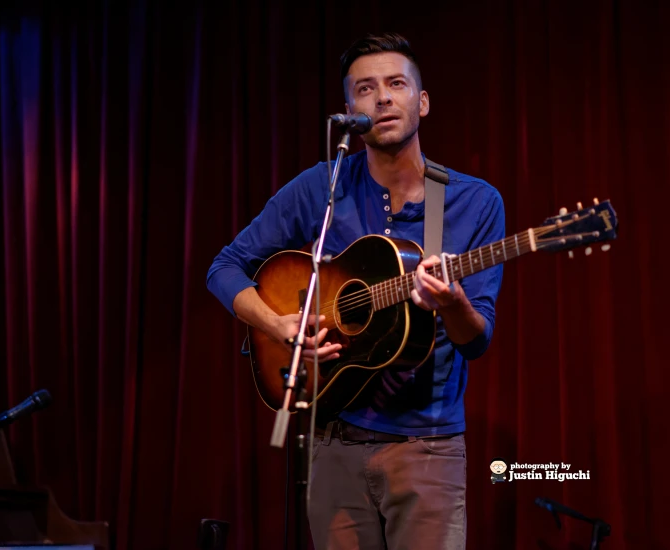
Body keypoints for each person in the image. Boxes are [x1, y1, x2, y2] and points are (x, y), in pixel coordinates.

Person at [206, 32, 505, 550]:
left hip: (425, 448)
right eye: (366, 89)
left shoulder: (472, 202)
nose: (383, 98)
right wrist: (278, 325)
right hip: (331, 442)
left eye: (396, 84)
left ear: (423, 101)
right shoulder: (322, 186)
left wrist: (452, 300)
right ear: (349, 110)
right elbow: (225, 267)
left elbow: (475, 340)